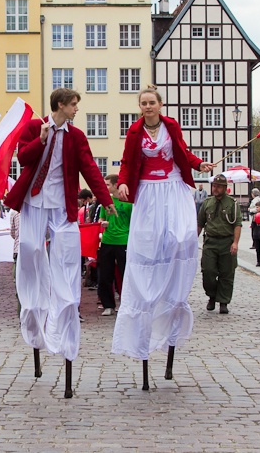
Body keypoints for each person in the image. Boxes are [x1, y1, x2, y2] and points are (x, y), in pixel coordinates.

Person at [4, 87, 115, 364]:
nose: (77, 109)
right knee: (30, 248)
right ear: (61, 105)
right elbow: (23, 158)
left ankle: (65, 303)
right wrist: (40, 140)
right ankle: (31, 304)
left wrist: (105, 197)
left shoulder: (76, 136)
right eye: (74, 104)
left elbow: (89, 167)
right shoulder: (34, 127)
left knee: (65, 250)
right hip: (34, 198)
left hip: (61, 202)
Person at [112, 86, 213, 359]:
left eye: (151, 103)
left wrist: (199, 164)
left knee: (182, 237)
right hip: (148, 190)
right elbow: (126, 163)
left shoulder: (171, 126)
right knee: (149, 244)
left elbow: (184, 152)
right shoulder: (134, 132)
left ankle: (174, 286)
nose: (147, 107)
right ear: (140, 107)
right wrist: (122, 182)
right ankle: (150, 288)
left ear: (160, 104)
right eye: (143, 103)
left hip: (173, 187)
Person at [197, 175, 242, 314]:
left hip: (226, 242)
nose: (215, 189)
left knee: (227, 273)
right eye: (214, 186)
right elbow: (200, 223)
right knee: (208, 271)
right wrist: (193, 241)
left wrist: (235, 243)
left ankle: (223, 301)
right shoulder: (207, 203)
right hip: (210, 242)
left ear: (224, 188)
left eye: (218, 186)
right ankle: (212, 295)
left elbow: (237, 224)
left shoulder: (232, 204)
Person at [98, 175, 132, 316]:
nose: (105, 187)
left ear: (116, 185)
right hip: (107, 240)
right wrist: (102, 223)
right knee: (105, 274)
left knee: (126, 274)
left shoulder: (129, 202)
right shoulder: (106, 201)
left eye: (107, 185)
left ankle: (127, 303)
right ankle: (108, 305)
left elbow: (133, 222)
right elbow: (101, 218)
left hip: (123, 241)